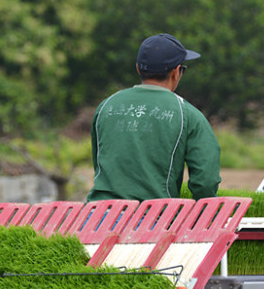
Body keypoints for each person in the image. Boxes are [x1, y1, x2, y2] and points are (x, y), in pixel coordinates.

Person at [86, 33, 221, 202]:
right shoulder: (188, 114)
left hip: (97, 218)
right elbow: (205, 182)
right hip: (153, 221)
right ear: (176, 72)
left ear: (138, 68)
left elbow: (99, 165)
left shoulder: (106, 106)